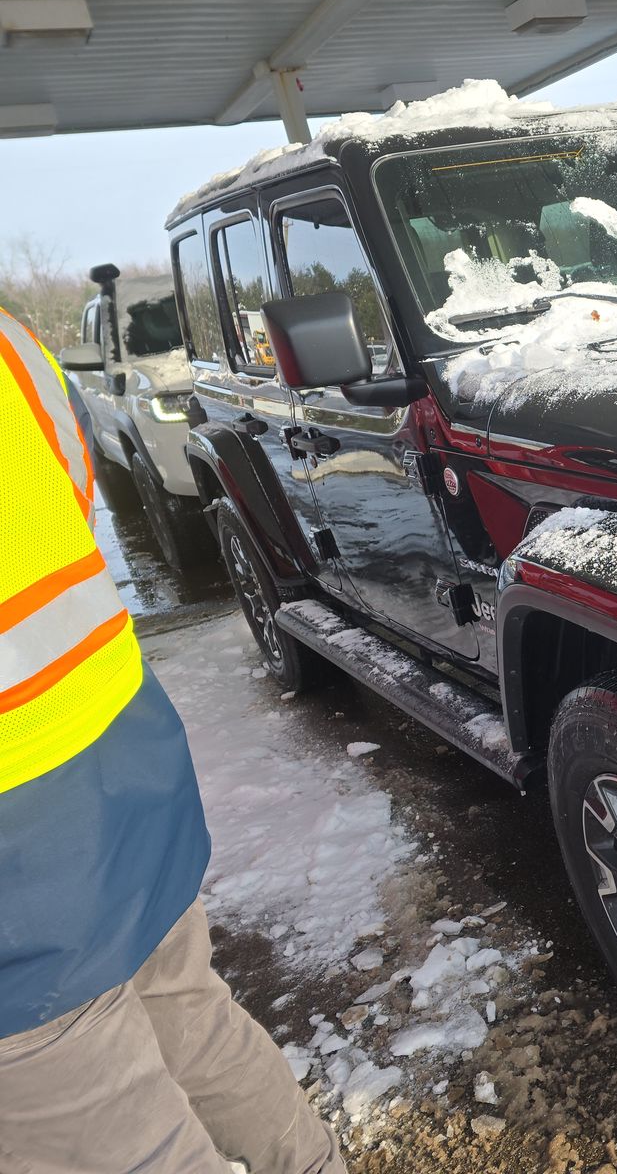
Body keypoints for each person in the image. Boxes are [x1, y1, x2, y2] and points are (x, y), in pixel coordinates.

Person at [0, 305, 347, 1173]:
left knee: (115, 1139)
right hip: (111, 737)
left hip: (17, 829)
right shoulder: (9, 338)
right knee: (189, 1012)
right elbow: (71, 484)